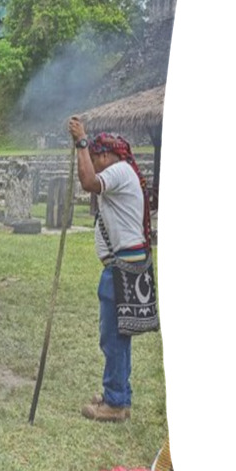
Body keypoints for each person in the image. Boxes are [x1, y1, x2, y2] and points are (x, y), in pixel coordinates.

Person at [68, 117, 152, 423]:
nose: (91, 164)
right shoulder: (123, 171)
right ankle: (119, 393)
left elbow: (88, 182)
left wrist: (80, 142)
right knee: (120, 333)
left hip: (122, 267)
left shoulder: (117, 170)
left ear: (105, 156)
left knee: (113, 335)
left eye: (93, 158)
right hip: (126, 264)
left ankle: (115, 401)